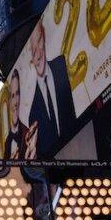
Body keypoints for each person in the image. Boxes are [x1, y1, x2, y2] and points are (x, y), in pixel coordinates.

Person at [25, 22, 75, 159]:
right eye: (32, 50)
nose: (38, 53)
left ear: (45, 37)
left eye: (39, 40)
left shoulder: (64, 66)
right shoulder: (33, 115)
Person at [3, 69, 30, 159]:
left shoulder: (28, 133)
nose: (15, 102)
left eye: (17, 94)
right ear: (9, 101)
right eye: (12, 96)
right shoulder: (7, 143)